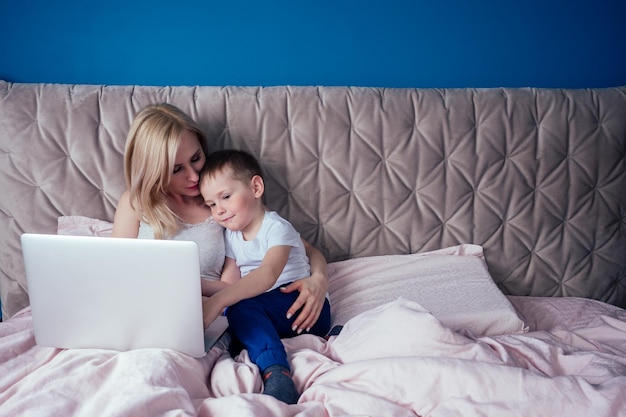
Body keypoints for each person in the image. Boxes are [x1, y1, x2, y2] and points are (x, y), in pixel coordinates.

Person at [111, 103, 329, 334]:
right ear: (154, 170)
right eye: (177, 170)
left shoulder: (225, 203)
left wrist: (319, 279)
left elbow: (303, 248)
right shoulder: (135, 202)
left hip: (202, 317)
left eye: (196, 158)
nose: (194, 176)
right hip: (141, 311)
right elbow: (115, 270)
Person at [199, 149, 332, 404]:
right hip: (269, 308)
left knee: (240, 309)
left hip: (301, 303)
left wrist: (218, 302)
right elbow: (229, 284)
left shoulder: (277, 228)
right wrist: (193, 285)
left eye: (226, 197)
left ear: (256, 187)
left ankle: (277, 373)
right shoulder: (232, 236)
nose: (219, 210)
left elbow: (267, 275)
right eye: (212, 205)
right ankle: (259, 343)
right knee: (236, 312)